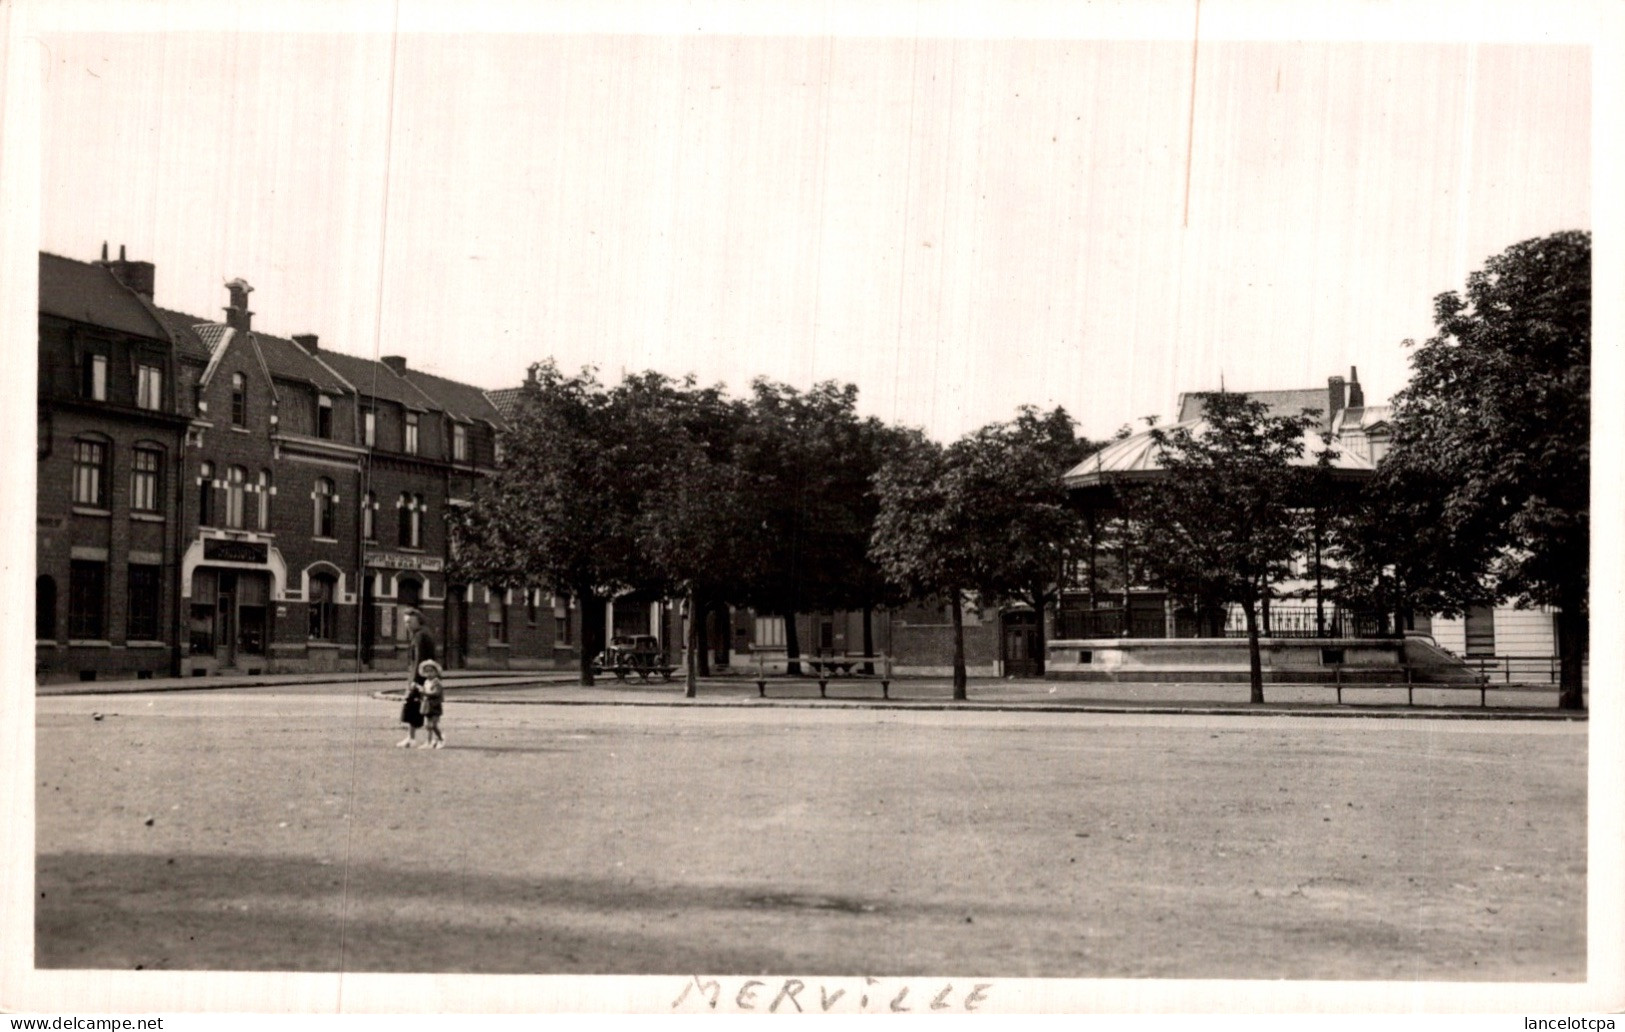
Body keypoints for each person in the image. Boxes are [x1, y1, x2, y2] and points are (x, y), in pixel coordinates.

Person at [396, 607, 436, 748]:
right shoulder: (424, 633)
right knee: (424, 709)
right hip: (426, 678)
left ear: (418, 620)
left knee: (414, 708)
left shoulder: (419, 636)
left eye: (410, 622)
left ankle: (414, 738)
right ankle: (418, 738)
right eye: (406, 622)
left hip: (420, 678)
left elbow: (419, 660)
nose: (407, 625)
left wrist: (414, 681)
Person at [417, 659, 446, 748]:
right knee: (428, 725)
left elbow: (436, 693)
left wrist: (424, 693)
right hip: (427, 705)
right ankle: (429, 742)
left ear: (436, 672)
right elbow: (425, 692)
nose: (429, 674)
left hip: (435, 705)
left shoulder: (436, 682)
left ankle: (441, 738)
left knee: (433, 725)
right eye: (427, 672)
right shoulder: (426, 682)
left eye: (431, 671)